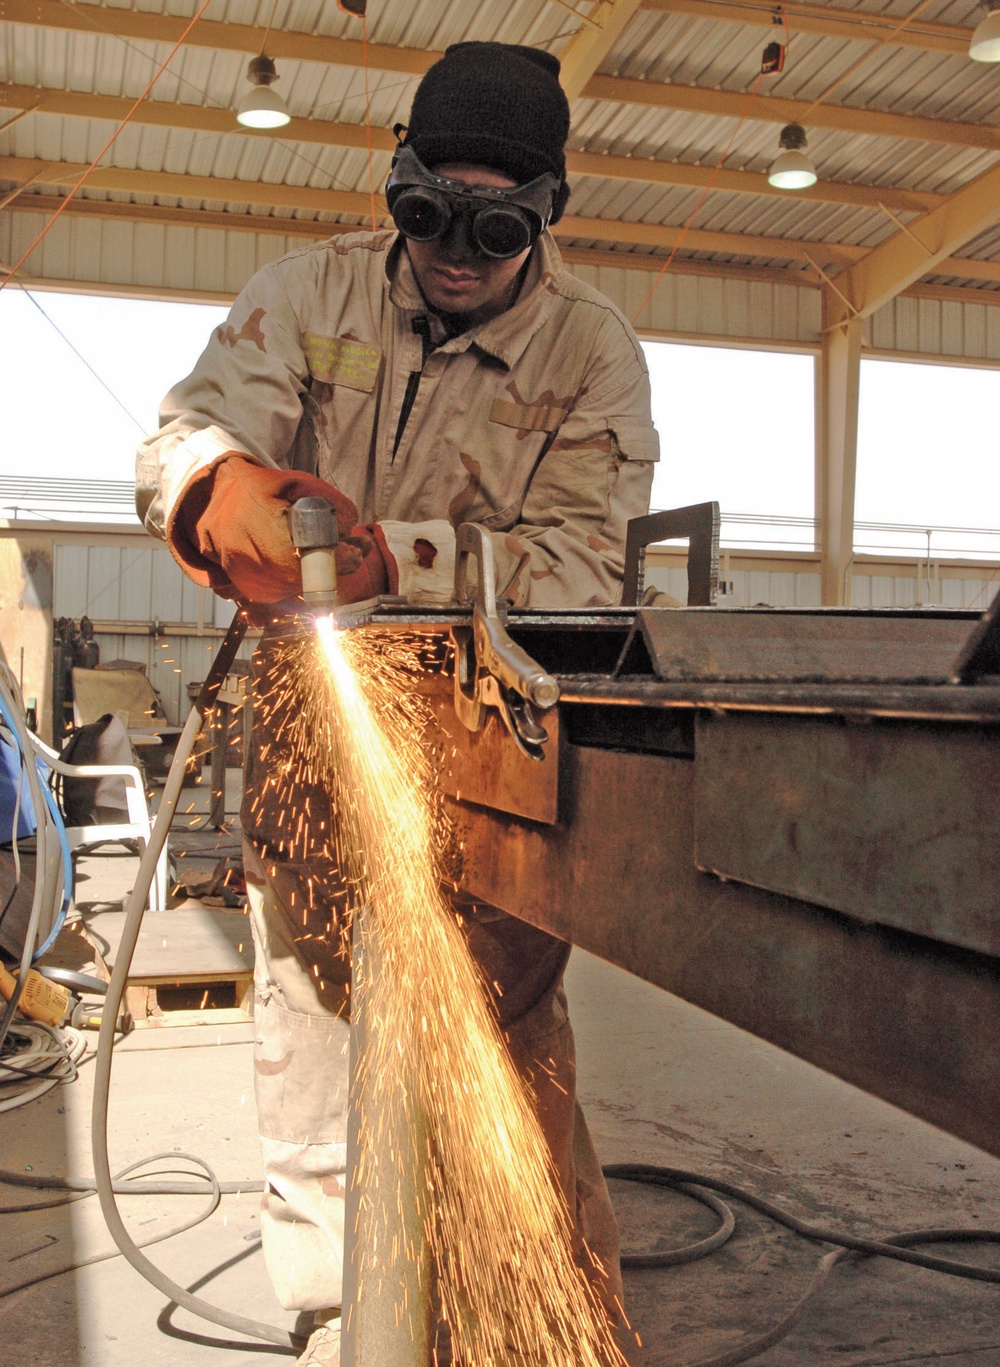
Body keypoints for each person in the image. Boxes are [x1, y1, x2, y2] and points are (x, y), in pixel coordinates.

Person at [136, 41, 659, 1367]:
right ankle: (333, 1306)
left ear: (544, 217)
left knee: (503, 1029)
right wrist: (214, 493)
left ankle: (539, 1309)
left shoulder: (592, 352)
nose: (458, 255)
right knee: (313, 1021)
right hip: (311, 727)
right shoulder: (306, 293)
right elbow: (185, 428)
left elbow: (587, 569)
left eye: (497, 229)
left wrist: (397, 559)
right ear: (400, 187)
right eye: (432, 217)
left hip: (491, 739)